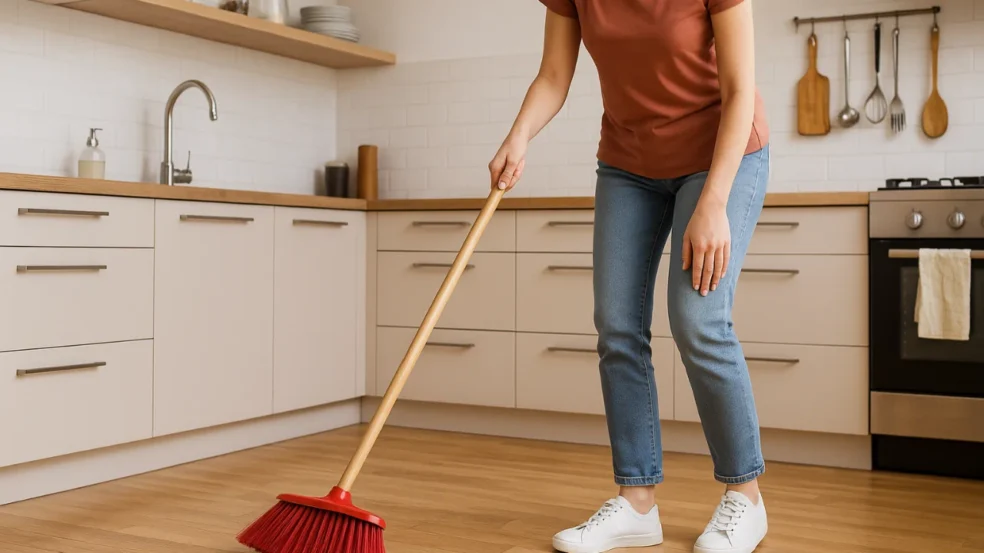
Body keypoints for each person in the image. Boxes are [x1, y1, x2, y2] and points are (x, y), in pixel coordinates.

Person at [488, 1, 771, 552]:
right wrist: (518, 136)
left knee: (698, 321)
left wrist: (714, 203)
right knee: (617, 325)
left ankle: (746, 496)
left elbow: (740, 89)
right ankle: (637, 502)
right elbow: (554, 75)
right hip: (630, 163)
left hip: (720, 153)